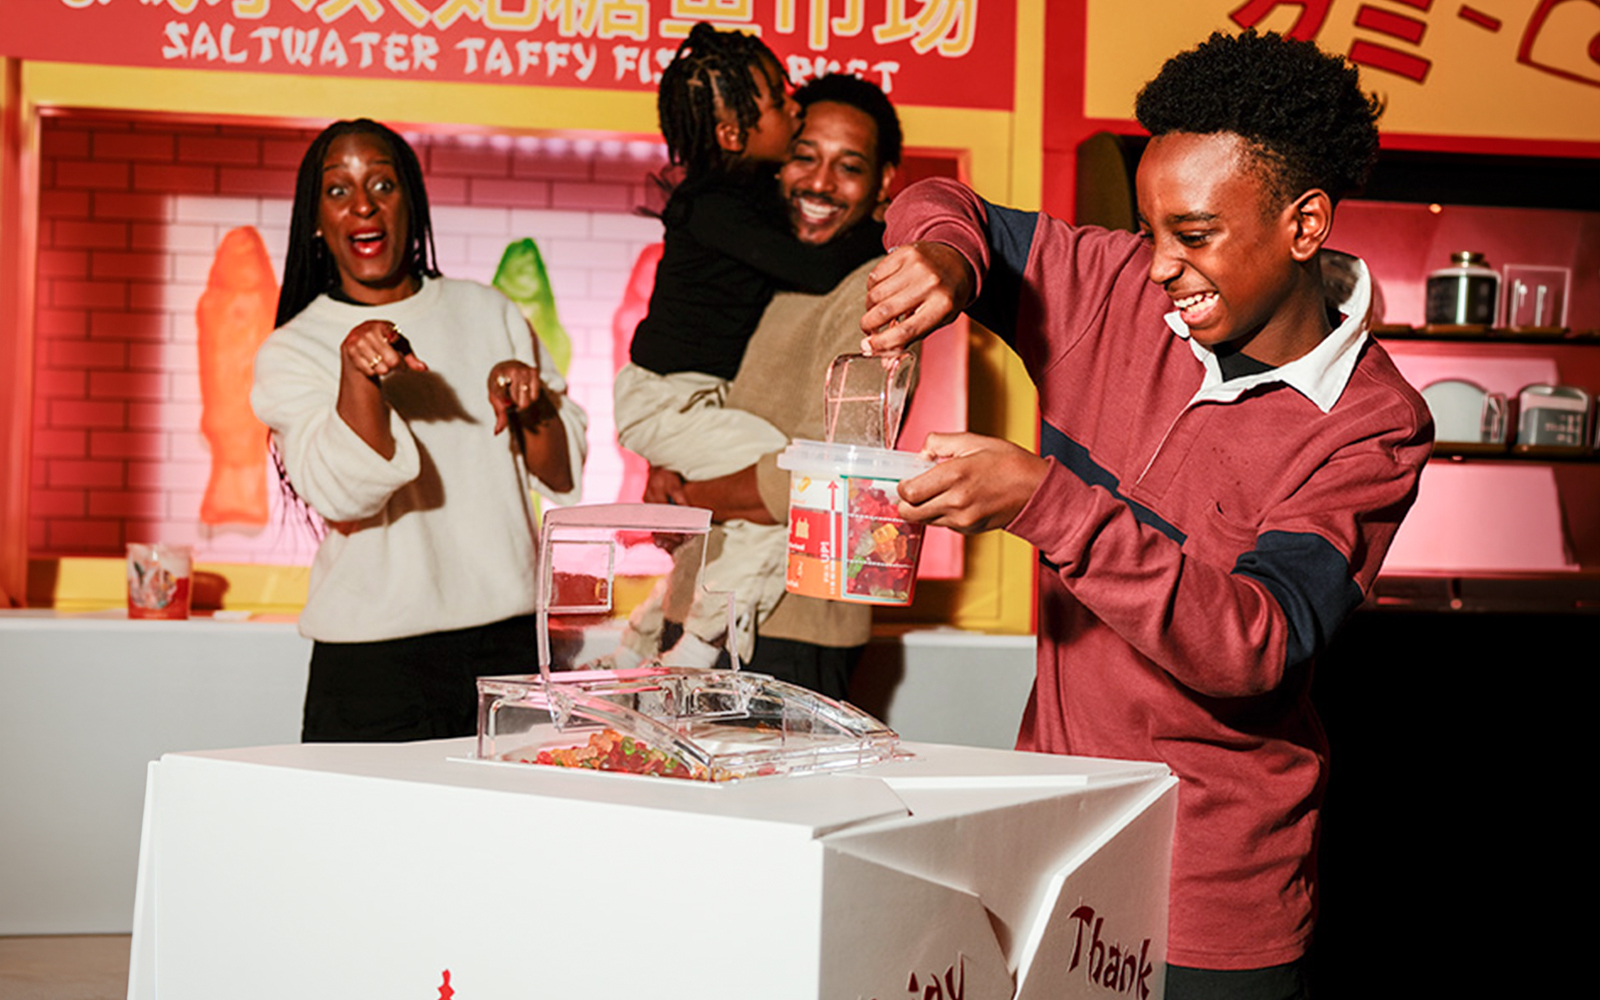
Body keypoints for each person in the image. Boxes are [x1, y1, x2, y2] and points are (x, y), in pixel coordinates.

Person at [859, 31, 1432, 998]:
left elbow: (1256, 644)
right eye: (1150, 229)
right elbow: (937, 202)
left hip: (1208, 892)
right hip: (1044, 834)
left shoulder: (1372, 426)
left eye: (1194, 234)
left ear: (1305, 225)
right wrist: (951, 261)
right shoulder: (1115, 290)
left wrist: (1048, 502)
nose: (1159, 267)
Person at [251, 119, 586, 742]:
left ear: (411, 202)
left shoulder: (488, 310)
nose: (363, 205)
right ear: (316, 222)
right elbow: (343, 495)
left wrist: (529, 397)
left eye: (382, 184)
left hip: (507, 648)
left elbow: (561, 474)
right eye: (338, 191)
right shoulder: (293, 347)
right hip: (373, 663)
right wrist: (359, 372)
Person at [614, 25, 886, 667]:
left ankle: (683, 632)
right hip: (674, 405)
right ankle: (676, 627)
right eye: (801, 151)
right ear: (744, 141)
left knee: (788, 482)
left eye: (850, 166)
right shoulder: (737, 219)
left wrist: (691, 493)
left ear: (883, 179)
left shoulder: (875, 288)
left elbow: (823, 481)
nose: (819, 181)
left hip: (803, 625)